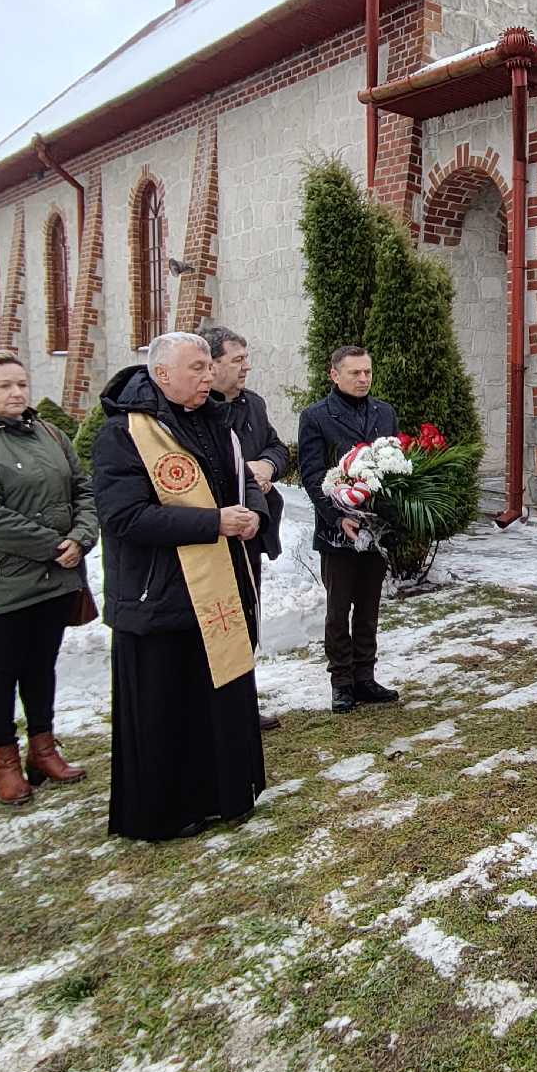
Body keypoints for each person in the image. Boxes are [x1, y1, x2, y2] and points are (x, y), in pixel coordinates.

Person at [93, 332, 269, 840]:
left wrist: (253, 515)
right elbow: (125, 517)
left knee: (217, 696)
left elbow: (240, 487)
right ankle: (170, 810)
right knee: (166, 707)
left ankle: (226, 793)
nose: (207, 376)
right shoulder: (124, 434)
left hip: (216, 588)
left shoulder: (216, 421)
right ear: (161, 374)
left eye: (207, 367)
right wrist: (214, 523)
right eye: (195, 368)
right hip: (157, 595)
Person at [0, 350, 99, 805]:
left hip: (57, 576)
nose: (16, 393)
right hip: (2, 580)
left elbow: (81, 487)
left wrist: (82, 537)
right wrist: (54, 546)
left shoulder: (47, 432)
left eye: (21, 384)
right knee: (2, 669)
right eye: (4, 385)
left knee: (41, 666)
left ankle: (43, 747)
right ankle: (4, 759)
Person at [297, 345, 399, 714]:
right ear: (334, 375)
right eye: (355, 373)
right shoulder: (316, 417)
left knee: (369, 605)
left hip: (376, 527)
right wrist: (337, 516)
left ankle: (364, 676)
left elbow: (395, 464)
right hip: (338, 528)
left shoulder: (384, 412)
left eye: (367, 372)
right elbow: (311, 474)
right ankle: (341, 681)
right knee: (339, 609)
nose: (363, 379)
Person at [203, 325, 290, 731]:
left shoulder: (252, 405)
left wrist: (267, 466)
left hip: (252, 531)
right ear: (212, 363)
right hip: (210, 534)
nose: (246, 367)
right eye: (237, 360)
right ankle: (214, 707)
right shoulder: (200, 413)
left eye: (245, 358)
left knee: (246, 617)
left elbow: (276, 447)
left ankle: (243, 701)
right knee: (217, 621)